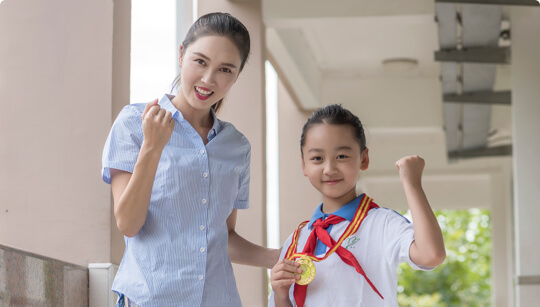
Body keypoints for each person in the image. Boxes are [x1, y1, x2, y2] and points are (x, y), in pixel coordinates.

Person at [102, 12, 278, 307]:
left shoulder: (237, 146)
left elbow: (224, 236)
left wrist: (278, 257)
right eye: (200, 61)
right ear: (182, 55)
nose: (208, 79)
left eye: (225, 69)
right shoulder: (134, 123)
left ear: (237, 74)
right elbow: (128, 224)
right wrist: (152, 147)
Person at [269, 104, 446, 307]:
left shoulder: (381, 223)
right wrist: (280, 296)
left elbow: (431, 255)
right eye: (317, 158)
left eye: (341, 156)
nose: (329, 169)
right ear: (304, 165)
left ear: (364, 158)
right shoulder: (296, 240)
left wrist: (412, 183)